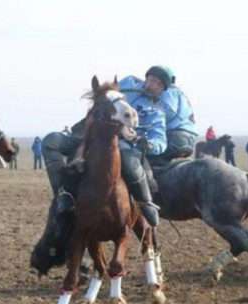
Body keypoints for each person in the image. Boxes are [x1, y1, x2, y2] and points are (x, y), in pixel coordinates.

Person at [43, 66, 176, 227]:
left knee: (130, 163)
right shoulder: (125, 88)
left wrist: (147, 143)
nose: (152, 85)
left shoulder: (157, 113)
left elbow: (160, 142)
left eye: (158, 84)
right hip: (89, 133)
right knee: (51, 141)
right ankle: (63, 195)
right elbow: (102, 95)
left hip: (123, 145)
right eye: (152, 80)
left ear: (162, 90)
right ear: (146, 78)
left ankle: (146, 203)